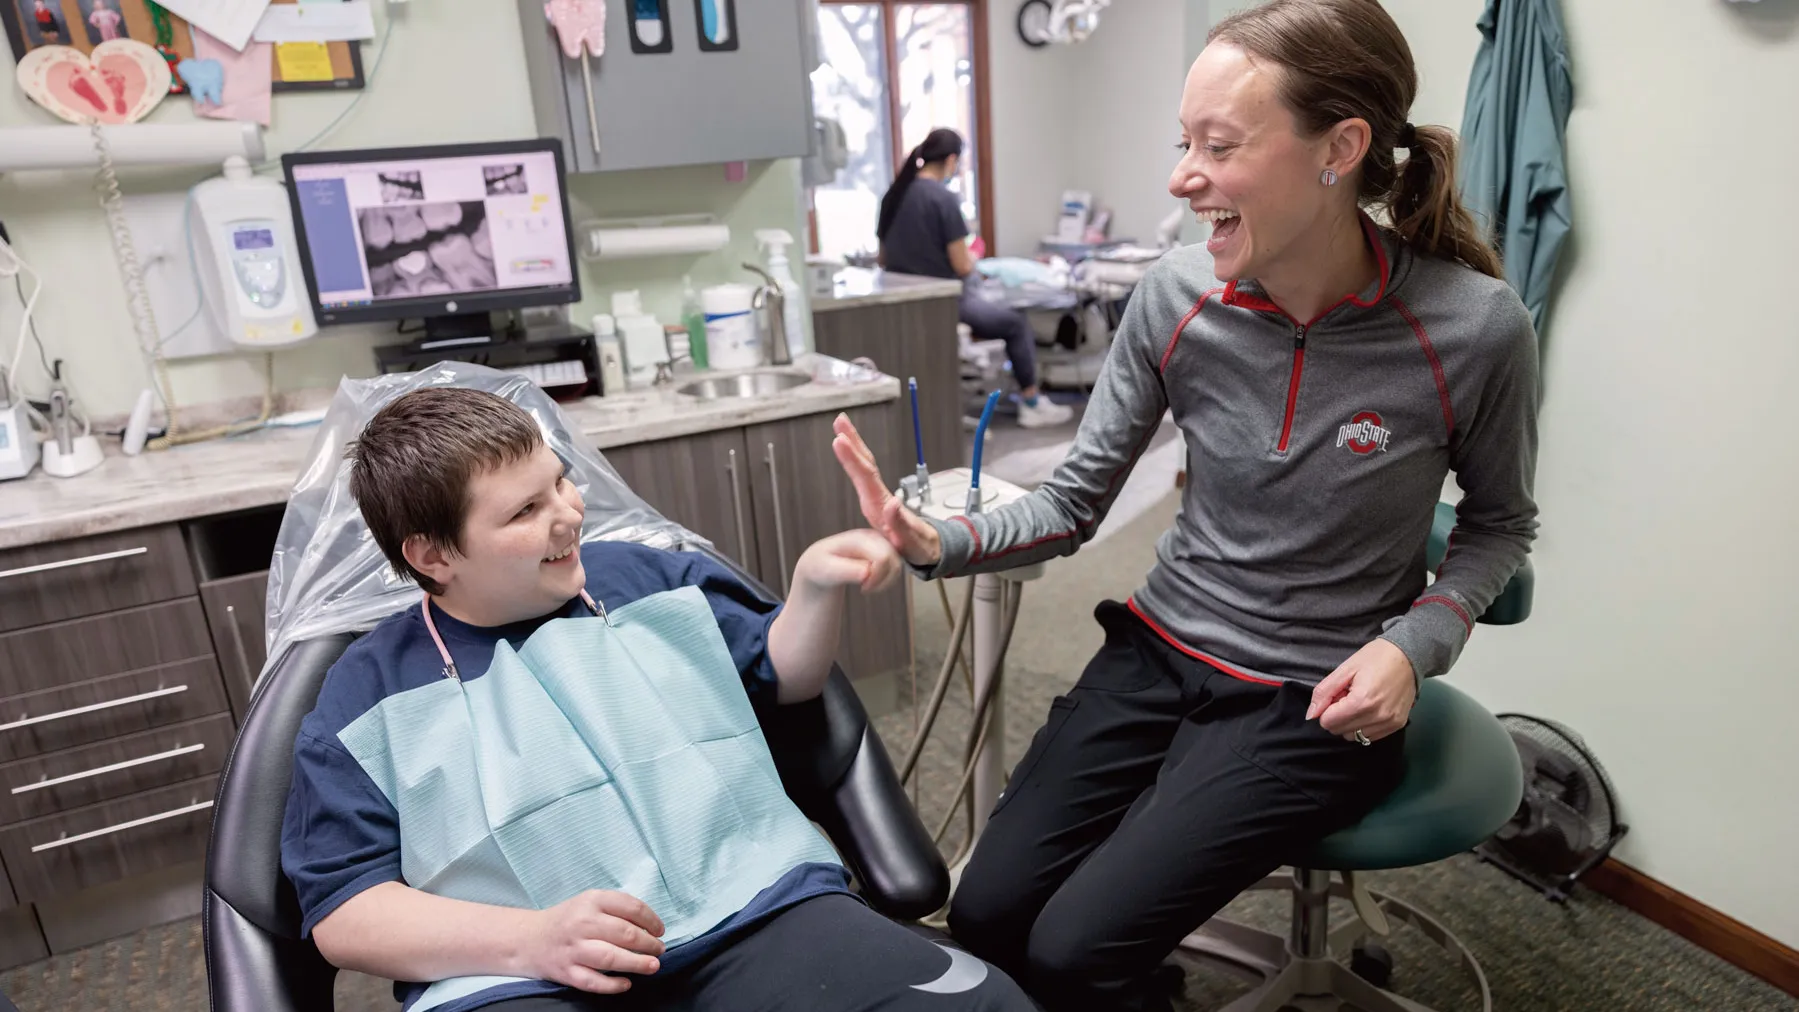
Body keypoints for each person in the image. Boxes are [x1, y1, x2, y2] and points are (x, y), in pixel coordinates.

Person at [832, 0, 1539, 1008]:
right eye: (1182, 143)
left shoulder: (1470, 328)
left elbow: (1499, 524)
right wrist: (936, 538)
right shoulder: (1174, 300)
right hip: (1158, 652)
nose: (1178, 176)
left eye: (1217, 145)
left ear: (1338, 149)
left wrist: (1411, 643)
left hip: (1311, 698)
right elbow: (1075, 501)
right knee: (988, 913)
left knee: (1074, 951)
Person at [280, 387, 1037, 1012]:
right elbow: (346, 912)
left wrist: (813, 588)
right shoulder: (363, 698)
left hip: (753, 909)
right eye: (523, 513)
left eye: (559, 483)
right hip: (516, 979)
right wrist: (529, 940)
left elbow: (786, 681)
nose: (569, 515)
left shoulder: (647, 581)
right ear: (432, 554)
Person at [876, 127, 1074, 429]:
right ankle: (1032, 403)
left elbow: (883, 258)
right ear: (952, 160)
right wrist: (972, 261)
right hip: (945, 302)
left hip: (904, 305)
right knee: (1016, 324)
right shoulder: (943, 199)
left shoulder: (894, 195)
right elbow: (962, 266)